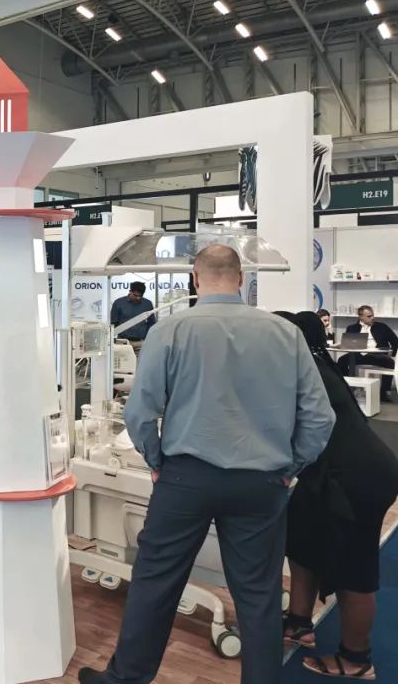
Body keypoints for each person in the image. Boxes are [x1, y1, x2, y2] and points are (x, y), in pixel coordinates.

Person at [78, 245, 335, 684]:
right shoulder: (285, 333)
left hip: (185, 477)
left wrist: (156, 460)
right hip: (262, 481)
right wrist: (290, 467)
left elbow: (140, 413)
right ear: (241, 279)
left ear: (195, 279)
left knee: (156, 580)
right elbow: (319, 418)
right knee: (258, 593)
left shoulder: (169, 330)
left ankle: (126, 678)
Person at [282, 311, 398, 680]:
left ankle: (356, 659)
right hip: (335, 472)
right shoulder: (314, 363)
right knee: (300, 540)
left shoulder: (300, 371)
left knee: (353, 569)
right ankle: (299, 623)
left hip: (355, 478)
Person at [337, 305, 398, 401]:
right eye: (369, 316)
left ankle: (383, 393)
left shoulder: (382, 327)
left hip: (377, 355)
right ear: (361, 317)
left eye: (372, 315)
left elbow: (395, 342)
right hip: (358, 355)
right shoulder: (352, 328)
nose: (372, 318)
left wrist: (392, 353)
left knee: (390, 362)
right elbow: (347, 344)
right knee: (341, 360)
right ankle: (347, 388)